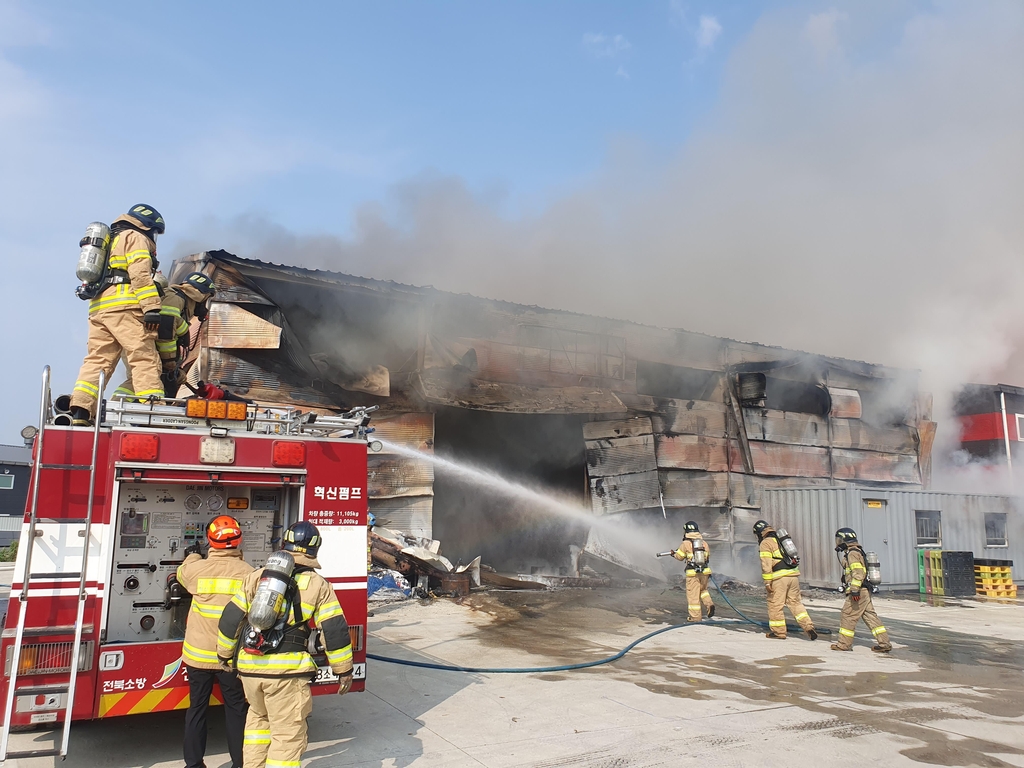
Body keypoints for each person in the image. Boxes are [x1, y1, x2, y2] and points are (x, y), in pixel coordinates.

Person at [217, 521, 354, 768]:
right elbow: (333, 629)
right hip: (286, 676)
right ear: (314, 549)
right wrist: (343, 670)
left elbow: (230, 619)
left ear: (285, 543)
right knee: (287, 737)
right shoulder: (317, 584)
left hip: (250, 671)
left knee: (258, 727)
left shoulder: (256, 577)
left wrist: (225, 656)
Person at [70, 204, 166, 425]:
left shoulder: (111, 239)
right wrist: (151, 307)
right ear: (148, 225)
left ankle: (81, 410)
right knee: (143, 355)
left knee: (97, 360)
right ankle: (152, 407)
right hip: (125, 307)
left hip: (99, 309)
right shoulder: (135, 237)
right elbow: (140, 274)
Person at [176, 515, 254, 768]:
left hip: (198, 656)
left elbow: (181, 573)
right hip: (230, 657)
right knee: (235, 709)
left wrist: (192, 554)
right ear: (239, 540)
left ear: (210, 541)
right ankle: (240, 763)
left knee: (197, 708)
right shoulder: (250, 575)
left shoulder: (195, 570)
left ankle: (194, 764)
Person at [112, 271, 217, 399]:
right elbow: (165, 331)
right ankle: (116, 406)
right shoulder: (175, 298)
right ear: (201, 295)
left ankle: (130, 408)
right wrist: (169, 361)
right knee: (146, 377)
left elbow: (171, 330)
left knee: (148, 379)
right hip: (140, 341)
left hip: (143, 343)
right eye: (207, 298)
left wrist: (175, 369)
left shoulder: (182, 303)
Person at [753, 520, 817, 641]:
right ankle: (808, 626)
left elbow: (766, 564)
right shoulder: (781, 539)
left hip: (779, 578)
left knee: (775, 604)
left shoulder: (766, 543)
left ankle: (779, 632)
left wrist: (767, 582)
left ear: (760, 533)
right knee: (795, 603)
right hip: (793, 576)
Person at [831, 527, 892, 653]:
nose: (837, 542)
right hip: (864, 590)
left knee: (848, 616)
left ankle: (844, 644)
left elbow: (858, 573)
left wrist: (854, 590)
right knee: (870, 616)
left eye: (839, 539)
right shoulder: (856, 551)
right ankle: (884, 643)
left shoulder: (852, 553)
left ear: (844, 539)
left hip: (859, 591)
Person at [672, 521, 715, 621]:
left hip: (693, 574)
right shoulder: (704, 543)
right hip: (704, 572)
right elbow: (707, 557)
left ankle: (695, 617)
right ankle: (710, 605)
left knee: (693, 596)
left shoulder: (686, 543)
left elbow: (680, 557)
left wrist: (673, 554)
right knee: (703, 591)